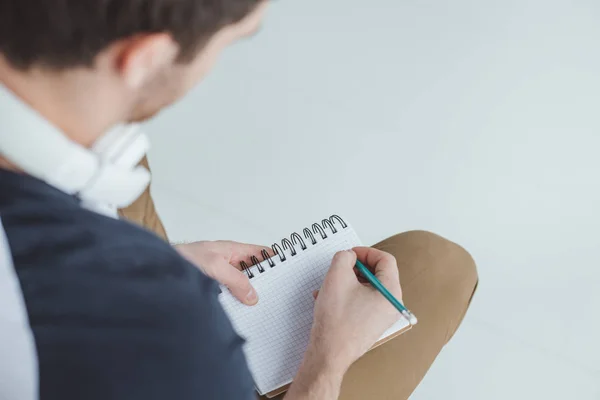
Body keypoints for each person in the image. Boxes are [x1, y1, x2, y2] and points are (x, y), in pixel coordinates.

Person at [0, 0, 478, 399]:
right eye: (230, 41)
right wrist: (328, 360)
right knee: (440, 268)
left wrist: (169, 259)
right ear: (144, 57)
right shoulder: (162, 320)